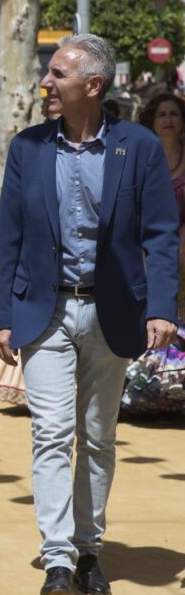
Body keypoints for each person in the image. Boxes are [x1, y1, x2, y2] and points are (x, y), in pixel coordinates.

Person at [0, 34, 180, 595]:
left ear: (92, 86)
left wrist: (162, 308)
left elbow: (161, 236)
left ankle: (89, 547)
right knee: (50, 433)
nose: (45, 83)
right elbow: (11, 239)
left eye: (56, 74)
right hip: (43, 312)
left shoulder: (139, 147)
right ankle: (57, 557)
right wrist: (2, 315)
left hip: (113, 311)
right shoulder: (27, 148)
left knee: (97, 438)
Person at [122, 93, 185, 413]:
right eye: (162, 113)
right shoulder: (143, 155)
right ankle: (141, 384)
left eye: (174, 113)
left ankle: (175, 387)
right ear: (151, 119)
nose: (168, 119)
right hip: (148, 251)